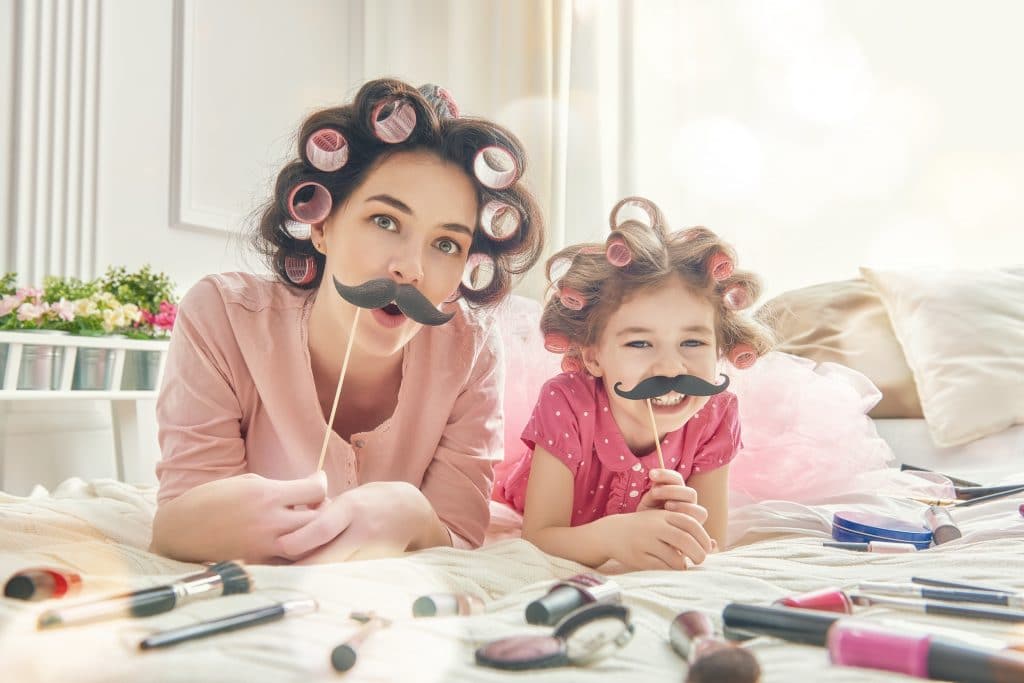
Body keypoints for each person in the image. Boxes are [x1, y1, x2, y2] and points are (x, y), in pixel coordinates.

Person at [151, 78, 544, 564]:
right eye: (385, 221)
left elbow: (459, 535)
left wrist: (415, 518)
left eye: (446, 244)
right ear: (321, 223)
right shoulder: (223, 318)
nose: (411, 269)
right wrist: (228, 520)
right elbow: (176, 526)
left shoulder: (471, 350)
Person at [496, 197, 772, 571]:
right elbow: (541, 536)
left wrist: (679, 525)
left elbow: (710, 545)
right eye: (639, 343)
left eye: (693, 342)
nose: (671, 367)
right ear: (593, 356)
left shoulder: (716, 414)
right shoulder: (567, 402)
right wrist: (615, 536)